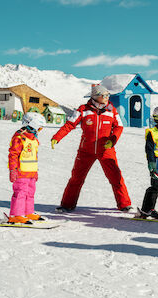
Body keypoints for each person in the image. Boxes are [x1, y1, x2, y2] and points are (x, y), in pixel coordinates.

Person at [51, 84, 132, 212]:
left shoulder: (112, 110)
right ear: (95, 97)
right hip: (85, 151)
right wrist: (57, 137)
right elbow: (70, 124)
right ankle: (67, 204)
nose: (106, 98)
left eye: (107, 95)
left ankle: (124, 204)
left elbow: (119, 127)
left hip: (106, 150)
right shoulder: (83, 110)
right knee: (76, 178)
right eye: (103, 95)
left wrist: (113, 139)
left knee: (116, 177)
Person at [7, 112, 46, 223]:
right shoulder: (20, 137)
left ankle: (28, 212)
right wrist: (13, 170)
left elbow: (33, 156)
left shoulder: (33, 139)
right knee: (20, 193)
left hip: (31, 173)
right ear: (32, 125)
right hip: (21, 172)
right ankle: (16, 214)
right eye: (39, 128)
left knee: (30, 193)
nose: (39, 131)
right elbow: (13, 154)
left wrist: (35, 172)